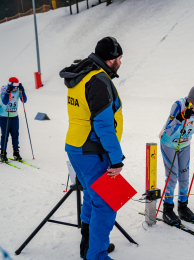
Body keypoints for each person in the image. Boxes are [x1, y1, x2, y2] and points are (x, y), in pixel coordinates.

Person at [60, 37, 124, 260]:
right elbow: (104, 124)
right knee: (107, 203)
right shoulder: (98, 80)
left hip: (77, 146)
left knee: (92, 195)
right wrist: (116, 159)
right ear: (110, 59)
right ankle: (96, 255)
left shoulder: (82, 74)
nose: (120, 62)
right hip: (93, 150)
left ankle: (88, 246)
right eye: (119, 58)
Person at [159, 85, 194, 225]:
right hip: (169, 143)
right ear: (190, 101)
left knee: (184, 177)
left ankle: (183, 207)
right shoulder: (178, 105)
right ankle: (168, 209)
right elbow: (169, 130)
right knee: (172, 177)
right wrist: (180, 118)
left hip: (184, 144)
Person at [0, 77, 27, 162]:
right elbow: (4, 101)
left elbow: (24, 100)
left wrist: (23, 91)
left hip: (14, 116)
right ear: (10, 85)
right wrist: (8, 92)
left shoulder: (18, 90)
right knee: (5, 135)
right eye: (14, 87)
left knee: (15, 135)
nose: (16, 88)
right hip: (4, 116)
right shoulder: (3, 89)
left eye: (17, 87)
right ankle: (3, 153)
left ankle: (16, 152)